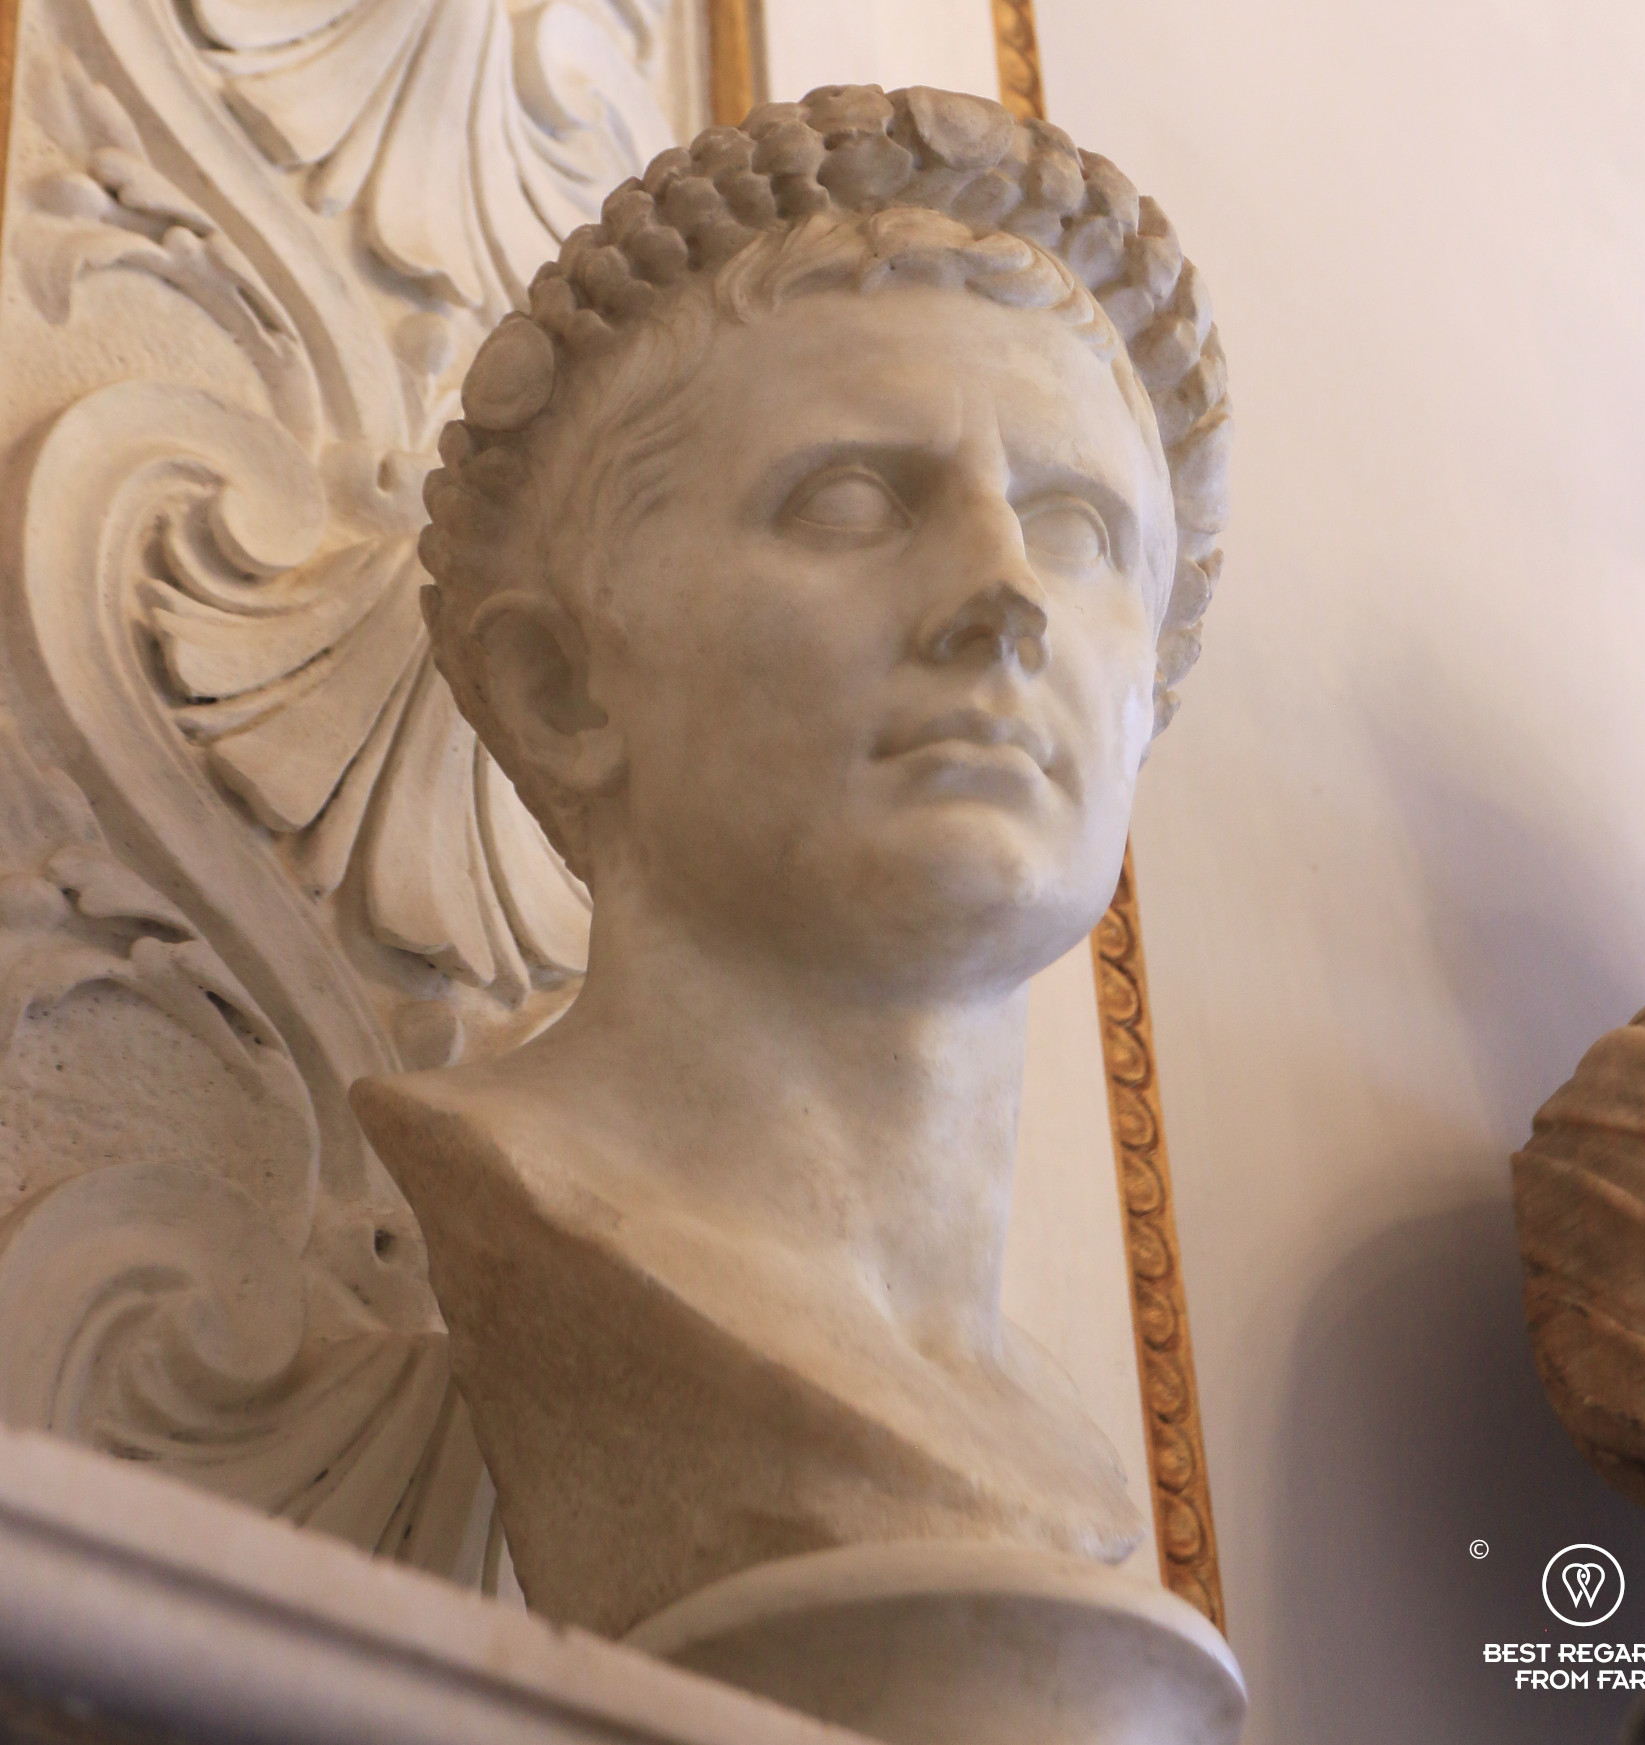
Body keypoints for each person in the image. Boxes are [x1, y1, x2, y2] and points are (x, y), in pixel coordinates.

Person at [352, 82, 1231, 1638]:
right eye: (851, 501)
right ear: (565, 690)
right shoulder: (552, 1229)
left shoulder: (1073, 1445)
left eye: (1079, 527)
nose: (1003, 597)